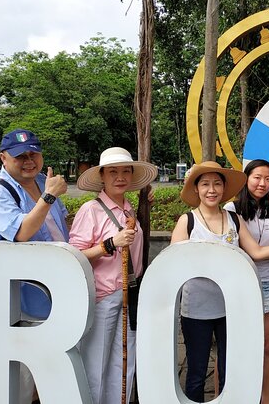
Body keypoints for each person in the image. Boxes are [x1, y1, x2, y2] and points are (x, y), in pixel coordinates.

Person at [171, 161, 269, 403]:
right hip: (196, 309)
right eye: (205, 184)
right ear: (197, 189)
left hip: (229, 308)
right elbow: (172, 267)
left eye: (217, 184)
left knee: (228, 368)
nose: (212, 190)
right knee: (196, 372)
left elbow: (255, 252)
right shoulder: (187, 221)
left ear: (224, 189)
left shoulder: (233, 219)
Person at [0, 128, 69, 404]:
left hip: (56, 290)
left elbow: (60, 226)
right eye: (21, 156)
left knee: (52, 368)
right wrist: (49, 197)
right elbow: (21, 232)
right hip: (22, 300)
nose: (29, 160)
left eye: (33, 153)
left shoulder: (45, 181)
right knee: (22, 374)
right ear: (3, 158)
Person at [69, 147, 158, 404]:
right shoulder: (91, 210)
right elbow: (75, 255)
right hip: (103, 296)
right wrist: (109, 243)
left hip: (129, 295)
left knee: (124, 361)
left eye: (125, 171)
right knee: (97, 363)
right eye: (113, 172)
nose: (120, 177)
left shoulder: (129, 209)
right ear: (102, 177)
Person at [223, 159, 269, 404]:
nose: (262, 183)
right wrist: (268, 249)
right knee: (233, 345)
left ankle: (265, 397)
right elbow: (233, 245)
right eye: (257, 177)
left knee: (267, 346)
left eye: (267, 179)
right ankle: (229, 394)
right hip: (238, 282)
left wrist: (262, 249)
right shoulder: (231, 209)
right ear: (246, 179)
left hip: (268, 282)